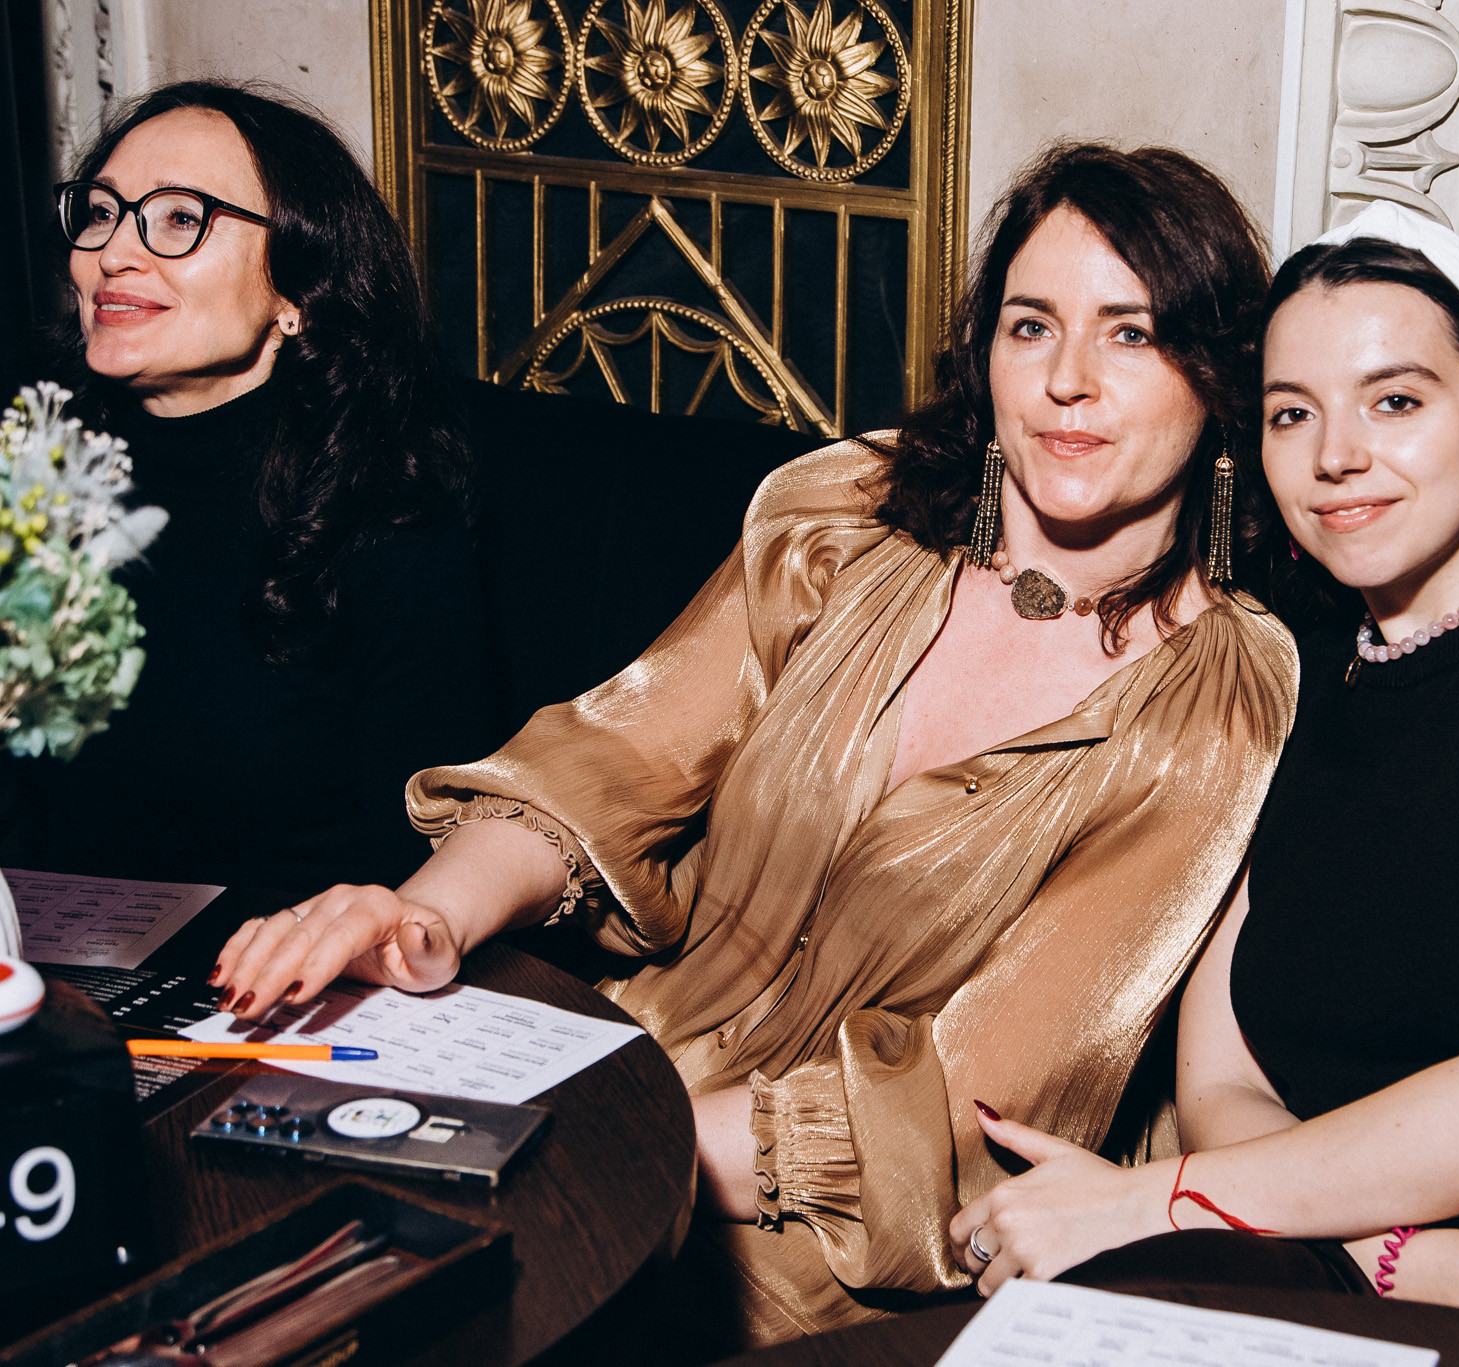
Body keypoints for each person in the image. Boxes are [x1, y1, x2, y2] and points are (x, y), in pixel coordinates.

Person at [207, 143, 1297, 1348]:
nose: (1065, 381)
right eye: (1030, 326)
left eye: (1131, 334)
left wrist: (590, 1139)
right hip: (610, 1065)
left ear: (1216, 378)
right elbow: (611, 762)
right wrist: (420, 917)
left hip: (837, 1233)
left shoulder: (1216, 699)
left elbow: (974, 1100)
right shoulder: (847, 519)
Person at [945, 203, 1459, 1357]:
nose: (1334, 454)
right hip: (1333, 1264)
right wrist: (1385, 1252)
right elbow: (1221, 1078)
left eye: (1394, 401)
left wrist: (1150, 1200)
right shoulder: (1288, 658)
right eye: (1292, 413)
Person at [24, 81, 488, 898]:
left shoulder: (383, 512)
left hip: (285, 963)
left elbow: (422, 870)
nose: (114, 252)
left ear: (297, 290)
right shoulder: (32, 464)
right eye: (100, 211)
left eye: (180, 217)